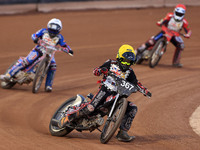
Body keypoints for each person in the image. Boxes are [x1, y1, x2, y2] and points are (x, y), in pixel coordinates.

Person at [58, 44, 152, 142]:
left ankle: (122, 132)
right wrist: (100, 70)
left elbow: (136, 83)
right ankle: (68, 117)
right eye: (125, 60)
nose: (126, 64)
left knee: (133, 108)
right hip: (105, 90)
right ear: (119, 57)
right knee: (90, 108)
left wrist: (144, 90)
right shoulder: (111, 63)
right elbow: (96, 71)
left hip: (118, 95)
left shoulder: (130, 72)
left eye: (129, 62)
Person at [0, 18, 73, 92]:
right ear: (48, 26)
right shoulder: (43, 31)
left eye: (55, 30)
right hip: (38, 50)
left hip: (50, 53)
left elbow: (64, 45)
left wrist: (69, 50)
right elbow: (34, 35)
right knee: (27, 61)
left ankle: (48, 86)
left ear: (59, 29)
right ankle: (8, 75)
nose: (53, 32)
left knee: (53, 66)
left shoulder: (60, 37)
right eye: (52, 29)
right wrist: (35, 39)